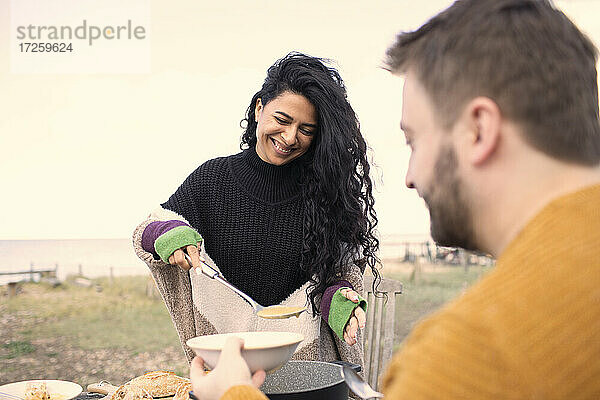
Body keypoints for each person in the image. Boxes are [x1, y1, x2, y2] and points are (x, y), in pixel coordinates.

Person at [187, 0, 600, 398]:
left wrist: (233, 395)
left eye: (414, 141)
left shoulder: (466, 359)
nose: (410, 177)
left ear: (478, 130)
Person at [132, 52, 380, 369]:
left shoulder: (324, 193)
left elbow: (335, 275)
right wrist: (168, 236)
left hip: (304, 370)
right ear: (260, 108)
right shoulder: (212, 180)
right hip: (225, 369)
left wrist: (337, 300)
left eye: (306, 129)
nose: (290, 137)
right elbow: (151, 230)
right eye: (282, 120)